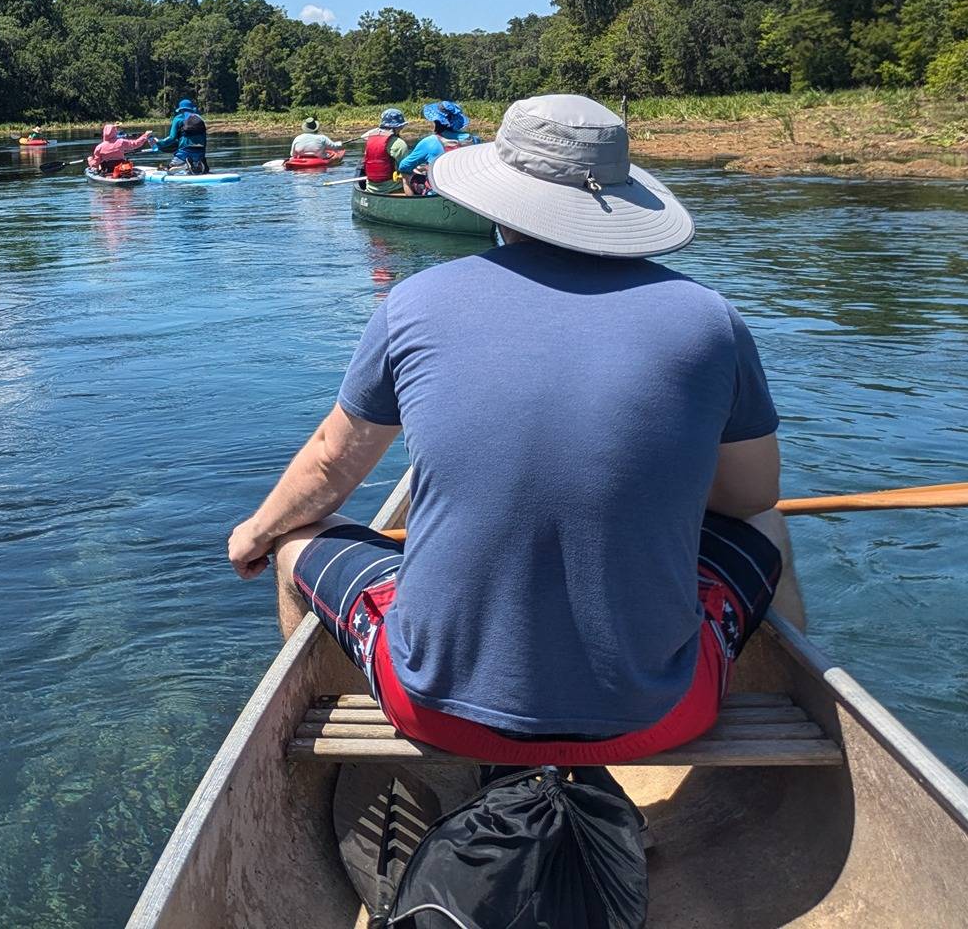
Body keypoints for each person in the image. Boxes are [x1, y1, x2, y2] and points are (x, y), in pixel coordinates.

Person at [227, 94, 800, 767]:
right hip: (664, 717)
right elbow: (750, 497)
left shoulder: (414, 302)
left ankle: (361, 775)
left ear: (500, 199)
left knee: (294, 538)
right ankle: (772, 736)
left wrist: (256, 532)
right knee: (769, 527)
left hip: (437, 714)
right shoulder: (710, 319)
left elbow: (330, 465)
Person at [393, 100, 473, 194]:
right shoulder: (472, 139)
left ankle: (413, 202)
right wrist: (425, 168)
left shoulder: (430, 142)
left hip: (439, 192)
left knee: (405, 174)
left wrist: (419, 169)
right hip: (464, 190)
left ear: (436, 120)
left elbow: (404, 166)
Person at [151, 98, 210, 174]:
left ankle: (184, 166)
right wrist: (203, 157)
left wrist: (158, 143)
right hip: (200, 152)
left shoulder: (178, 118)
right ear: (192, 109)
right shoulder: (200, 118)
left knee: (168, 170)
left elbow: (172, 138)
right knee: (195, 170)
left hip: (184, 152)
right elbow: (204, 139)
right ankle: (197, 165)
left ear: (180, 110)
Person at [359, 109, 410, 193]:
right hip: (393, 189)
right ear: (399, 126)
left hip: (371, 189)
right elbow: (407, 169)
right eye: (401, 126)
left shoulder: (370, 140)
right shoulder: (399, 144)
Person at [86, 121, 154, 178]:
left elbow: (95, 165)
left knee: (99, 166)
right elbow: (136, 143)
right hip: (122, 170)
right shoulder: (121, 142)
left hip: (107, 171)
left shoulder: (99, 147)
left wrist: (90, 160)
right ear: (115, 132)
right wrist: (146, 135)